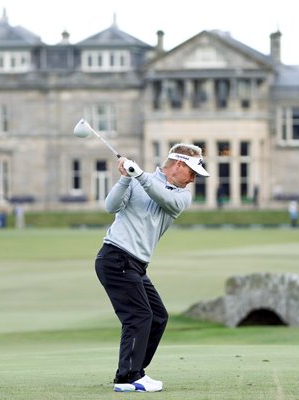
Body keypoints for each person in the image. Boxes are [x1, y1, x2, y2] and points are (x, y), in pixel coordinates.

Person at [94, 143, 209, 393]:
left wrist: (140, 175)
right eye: (192, 172)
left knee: (157, 316)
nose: (193, 179)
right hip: (116, 257)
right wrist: (126, 178)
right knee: (139, 316)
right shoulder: (137, 180)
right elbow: (110, 207)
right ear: (179, 164)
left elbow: (164, 198)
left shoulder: (181, 196)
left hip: (135, 264)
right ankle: (127, 377)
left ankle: (135, 371)